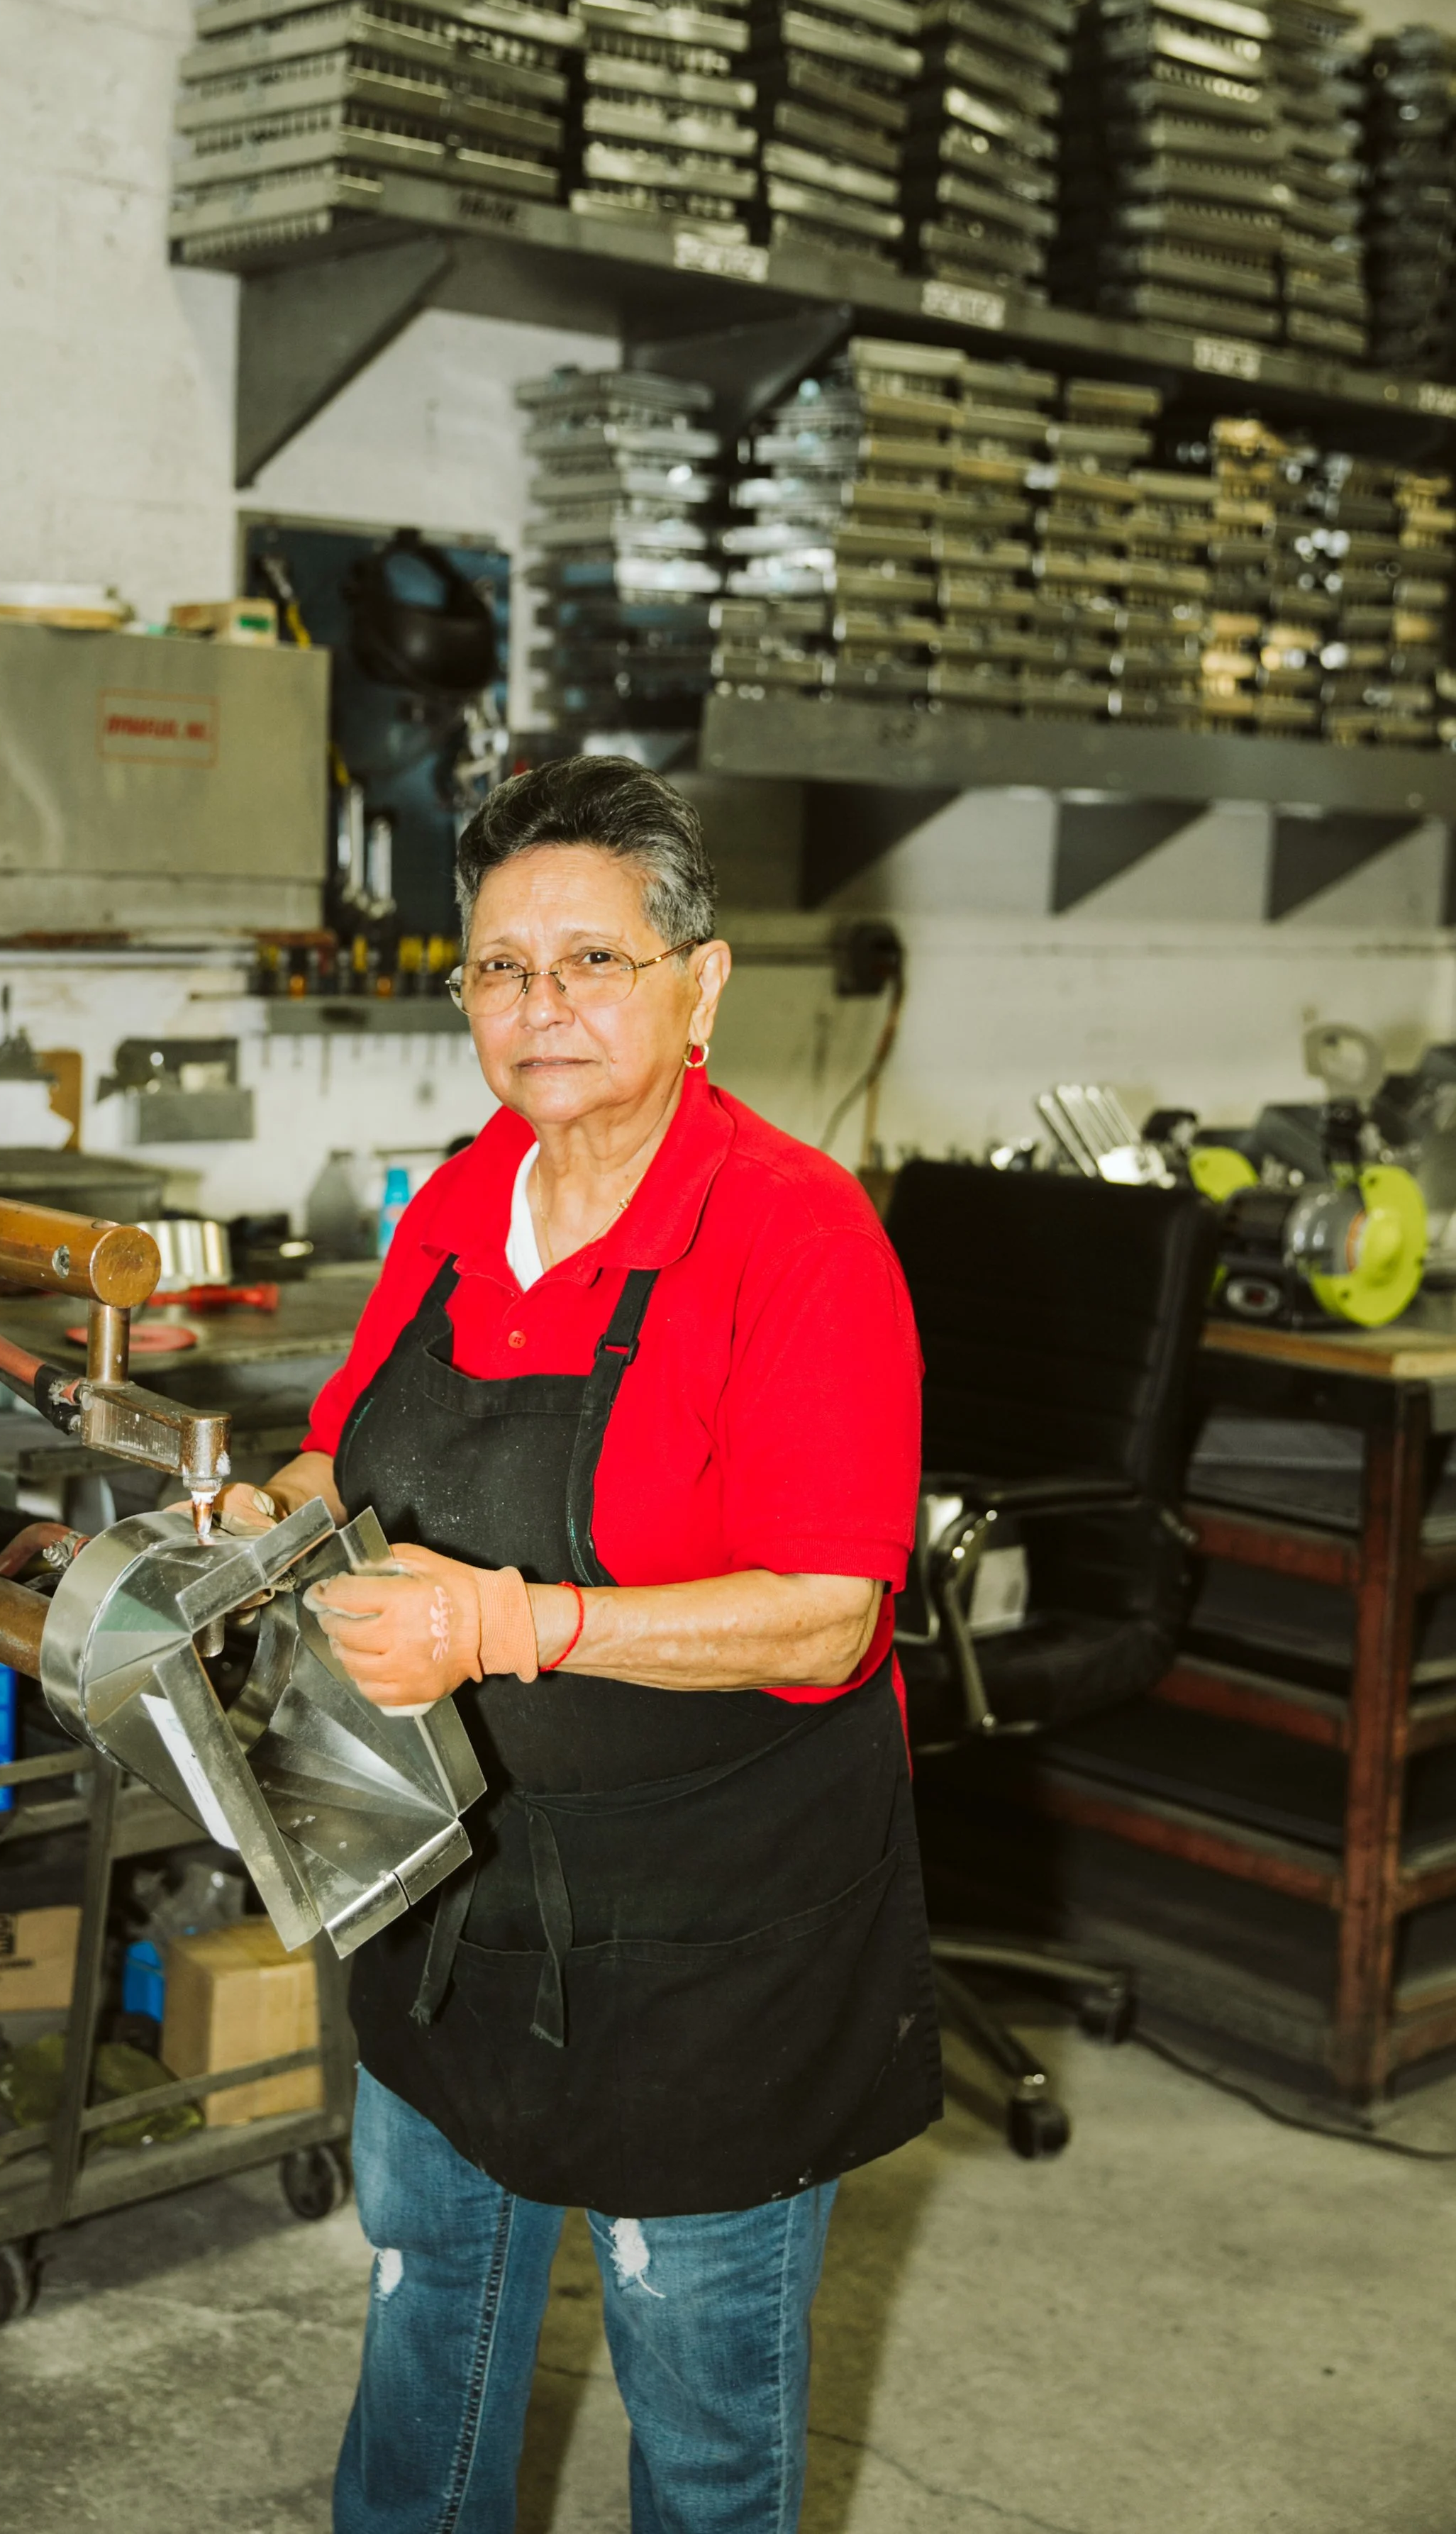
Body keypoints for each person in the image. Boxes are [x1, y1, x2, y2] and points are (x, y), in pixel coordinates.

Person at [219, 755, 936, 2534]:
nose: (540, 1009)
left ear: (696, 986)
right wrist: (277, 1519)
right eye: (497, 969)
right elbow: (349, 1441)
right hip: (448, 1890)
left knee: (696, 2424)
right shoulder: (470, 1193)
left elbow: (825, 1608)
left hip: (712, 1938)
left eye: (590, 963)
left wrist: (510, 1621)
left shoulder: (796, 1236)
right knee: (426, 2337)